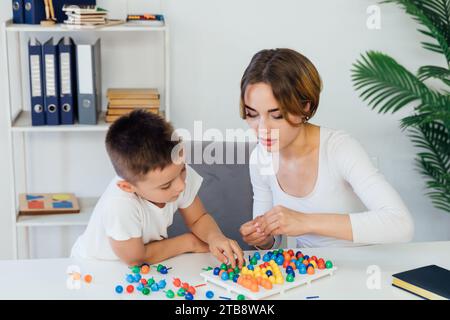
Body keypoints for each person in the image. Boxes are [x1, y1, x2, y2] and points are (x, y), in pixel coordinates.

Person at [239, 48, 414, 249]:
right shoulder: (260, 158)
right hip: (309, 274)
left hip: (362, 270)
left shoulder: (339, 149)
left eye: (277, 115)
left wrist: (305, 221)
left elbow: (401, 225)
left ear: (305, 106)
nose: (262, 129)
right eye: (252, 114)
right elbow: (271, 241)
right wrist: (263, 238)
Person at [72, 110, 244, 267]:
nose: (181, 185)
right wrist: (189, 242)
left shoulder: (173, 170)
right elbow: (135, 258)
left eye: (183, 170)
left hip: (145, 264)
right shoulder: (119, 204)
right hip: (96, 266)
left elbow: (198, 218)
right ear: (128, 187)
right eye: (166, 185)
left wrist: (215, 237)